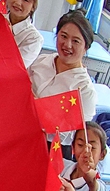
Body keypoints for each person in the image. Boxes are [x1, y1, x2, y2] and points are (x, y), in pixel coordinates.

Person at [29, 10, 97, 145]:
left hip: (50, 147)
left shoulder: (85, 90)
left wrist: (37, 107)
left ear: (86, 47)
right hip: (21, 131)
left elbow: (74, 136)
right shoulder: (41, 61)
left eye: (76, 41)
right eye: (63, 36)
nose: (67, 45)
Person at [0, 0, 42, 67]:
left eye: (25, 0)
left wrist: (7, 36)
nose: (18, 3)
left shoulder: (34, 38)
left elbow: (15, 67)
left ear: (33, 6)